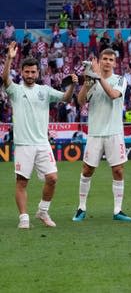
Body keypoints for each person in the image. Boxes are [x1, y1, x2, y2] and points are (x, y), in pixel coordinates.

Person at [3, 41, 77, 228]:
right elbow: (5, 79)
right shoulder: (16, 90)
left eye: (33, 72)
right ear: (22, 72)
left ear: (38, 73)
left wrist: (72, 86)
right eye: (26, 72)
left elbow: (66, 98)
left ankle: (42, 211)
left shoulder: (45, 91)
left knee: (52, 178)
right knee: (22, 181)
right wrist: (9, 59)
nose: (30, 75)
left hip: (42, 143)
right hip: (23, 145)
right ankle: (24, 218)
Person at [73, 49, 131, 222]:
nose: (107, 62)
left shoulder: (121, 80)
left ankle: (117, 210)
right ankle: (81, 207)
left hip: (114, 132)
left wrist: (98, 76)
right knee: (87, 169)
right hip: (95, 132)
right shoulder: (93, 81)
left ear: (115, 63)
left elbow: (114, 95)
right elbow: (81, 100)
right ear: (99, 61)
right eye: (104, 59)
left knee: (118, 170)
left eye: (110, 59)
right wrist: (86, 82)